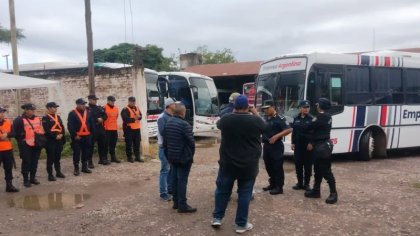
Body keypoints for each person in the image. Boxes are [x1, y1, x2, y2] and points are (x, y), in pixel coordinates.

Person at [212, 95, 266, 234]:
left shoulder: (226, 120)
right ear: (248, 106)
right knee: (244, 194)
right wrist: (254, 111)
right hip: (248, 165)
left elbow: (219, 124)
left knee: (222, 191)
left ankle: (217, 218)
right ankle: (241, 224)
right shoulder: (256, 121)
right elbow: (265, 127)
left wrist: (233, 111)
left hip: (227, 163)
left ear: (234, 106)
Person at [163, 103, 196, 213]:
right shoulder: (185, 124)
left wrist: (168, 155)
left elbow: (165, 142)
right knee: (182, 180)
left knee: (174, 179)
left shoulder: (168, 122)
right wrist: (191, 155)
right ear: (183, 112)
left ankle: (176, 203)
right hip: (183, 157)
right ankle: (182, 205)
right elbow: (191, 143)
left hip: (172, 156)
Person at [304, 98, 338, 204]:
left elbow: (308, 127)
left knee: (326, 171)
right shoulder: (327, 115)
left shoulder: (321, 116)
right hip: (322, 144)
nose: (316, 106)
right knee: (318, 170)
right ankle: (316, 190)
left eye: (318, 105)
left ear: (320, 106)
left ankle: (333, 193)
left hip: (322, 146)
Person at [261, 103, 292, 195]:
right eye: (264, 109)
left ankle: (279, 187)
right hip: (266, 145)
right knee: (268, 166)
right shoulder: (265, 118)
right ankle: (272, 183)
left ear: (273, 107)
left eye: (267, 108)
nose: (265, 110)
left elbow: (288, 129)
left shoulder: (280, 118)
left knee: (277, 167)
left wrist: (276, 136)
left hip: (276, 146)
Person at [13, 103, 44, 187]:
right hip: (25, 145)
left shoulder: (38, 118)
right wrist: (21, 141)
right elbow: (15, 133)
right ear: (26, 110)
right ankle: (26, 180)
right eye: (31, 109)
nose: (33, 111)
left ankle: (32, 178)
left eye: (33, 109)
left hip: (37, 144)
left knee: (35, 162)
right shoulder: (19, 120)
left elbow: (40, 130)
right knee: (26, 162)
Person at [68, 98, 95, 176]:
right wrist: (75, 135)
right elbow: (70, 126)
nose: (84, 106)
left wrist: (92, 134)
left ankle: (84, 167)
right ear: (78, 105)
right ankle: (76, 168)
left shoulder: (88, 112)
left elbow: (91, 123)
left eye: (84, 104)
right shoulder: (72, 113)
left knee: (86, 152)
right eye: (82, 104)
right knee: (76, 153)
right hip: (77, 137)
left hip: (87, 136)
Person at [291, 100, 314, 191]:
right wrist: (293, 142)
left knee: (308, 165)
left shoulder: (312, 119)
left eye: (308, 107)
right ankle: (300, 183)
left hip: (308, 146)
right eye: (304, 107)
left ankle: (307, 184)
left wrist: (311, 143)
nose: (306, 109)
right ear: (300, 108)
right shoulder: (296, 118)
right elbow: (294, 132)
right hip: (298, 146)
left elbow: (314, 133)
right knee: (298, 164)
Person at [157, 98, 176, 201]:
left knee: (170, 170)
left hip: (169, 147)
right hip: (163, 148)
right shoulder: (162, 118)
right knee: (165, 170)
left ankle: (169, 190)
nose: (175, 105)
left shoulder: (170, 116)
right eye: (174, 104)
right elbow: (163, 132)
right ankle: (163, 193)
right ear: (169, 105)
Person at [42, 102, 66, 181]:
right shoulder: (45, 118)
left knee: (57, 157)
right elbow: (47, 131)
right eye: (54, 107)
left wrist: (62, 134)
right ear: (49, 108)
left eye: (56, 107)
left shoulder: (58, 117)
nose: (56, 108)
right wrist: (55, 136)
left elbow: (62, 127)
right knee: (50, 158)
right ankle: (50, 174)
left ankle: (58, 172)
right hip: (50, 141)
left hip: (59, 140)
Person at [0, 107, 19, 192]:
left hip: (7, 149)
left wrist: (7, 135)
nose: (2, 114)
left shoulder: (8, 122)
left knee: (8, 168)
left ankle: (9, 185)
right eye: (1, 112)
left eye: (3, 112)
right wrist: (1, 137)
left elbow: (14, 133)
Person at [87, 94, 108, 167]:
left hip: (100, 128)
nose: (95, 101)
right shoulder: (87, 109)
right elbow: (88, 118)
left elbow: (105, 115)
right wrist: (97, 119)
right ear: (89, 100)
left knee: (102, 144)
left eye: (96, 99)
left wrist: (102, 119)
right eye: (94, 99)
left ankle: (102, 159)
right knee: (91, 146)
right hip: (92, 129)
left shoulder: (99, 108)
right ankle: (89, 161)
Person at [121, 96, 143, 163]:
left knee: (137, 143)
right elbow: (125, 119)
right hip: (129, 129)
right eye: (131, 101)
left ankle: (137, 157)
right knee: (129, 144)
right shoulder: (125, 109)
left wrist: (139, 117)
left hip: (137, 129)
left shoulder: (137, 108)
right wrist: (135, 119)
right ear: (129, 101)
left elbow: (140, 116)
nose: (133, 103)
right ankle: (129, 157)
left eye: (134, 101)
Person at [103, 96, 121, 163]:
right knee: (106, 144)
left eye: (113, 101)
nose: (113, 102)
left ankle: (113, 157)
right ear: (108, 101)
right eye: (111, 101)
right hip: (106, 129)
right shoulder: (104, 108)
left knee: (113, 144)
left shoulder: (116, 108)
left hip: (114, 129)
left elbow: (116, 117)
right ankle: (104, 158)